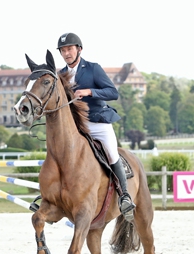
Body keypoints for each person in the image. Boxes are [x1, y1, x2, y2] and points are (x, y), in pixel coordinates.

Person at [56, 32, 135, 221]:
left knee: (111, 152)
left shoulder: (93, 69)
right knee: (57, 152)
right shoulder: (60, 75)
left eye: (69, 49)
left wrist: (90, 91)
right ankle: (48, 193)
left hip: (97, 122)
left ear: (79, 50)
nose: (66, 53)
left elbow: (112, 92)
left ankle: (124, 195)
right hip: (75, 126)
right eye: (63, 50)